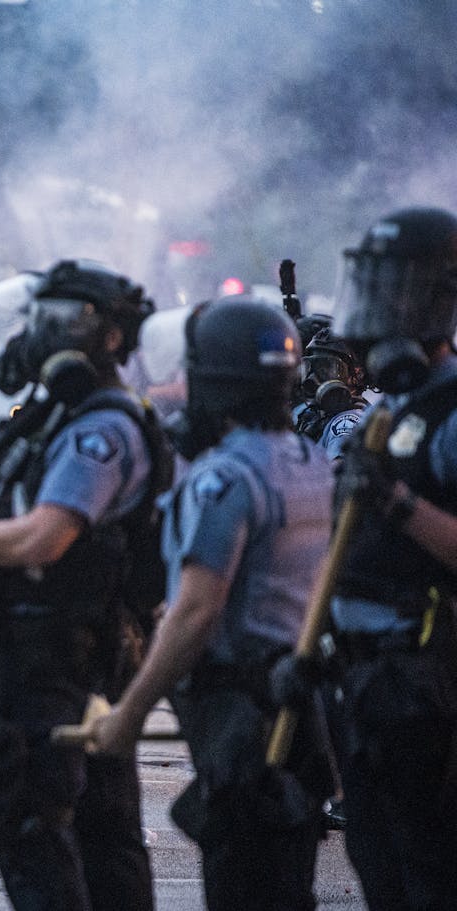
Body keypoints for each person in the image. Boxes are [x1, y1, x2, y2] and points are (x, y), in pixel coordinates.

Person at [0, 259, 164, 911]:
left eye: (67, 323)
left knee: (39, 821)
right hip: (52, 649)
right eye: (44, 321)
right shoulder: (60, 414)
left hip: (64, 653)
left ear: (112, 337)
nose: (46, 336)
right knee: (97, 827)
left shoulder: (103, 425)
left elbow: (44, 536)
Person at [92, 295, 333, 910]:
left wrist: (131, 711)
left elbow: (197, 611)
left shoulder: (222, 477)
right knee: (289, 883)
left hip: (240, 718)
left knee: (242, 884)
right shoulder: (312, 462)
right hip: (307, 706)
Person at [320, 206, 457, 910]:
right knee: (381, 864)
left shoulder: (450, 410)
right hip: (368, 677)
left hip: (431, 677)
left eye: (405, 289)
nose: (386, 308)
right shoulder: (390, 407)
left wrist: (400, 504)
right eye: (380, 287)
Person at [292, 320, 368, 460]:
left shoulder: (345, 422)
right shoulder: (310, 412)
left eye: (326, 368)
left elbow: (338, 476)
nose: (313, 377)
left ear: (357, 375)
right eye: (311, 367)